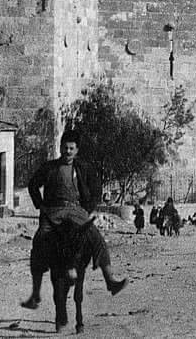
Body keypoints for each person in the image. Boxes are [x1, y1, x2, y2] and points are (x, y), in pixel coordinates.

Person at [21, 129, 127, 310]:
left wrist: (87, 210)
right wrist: (41, 205)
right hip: (52, 212)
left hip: (76, 211)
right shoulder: (49, 167)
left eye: (71, 148)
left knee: (96, 238)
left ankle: (110, 280)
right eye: (65, 148)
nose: (67, 152)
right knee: (39, 241)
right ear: (60, 147)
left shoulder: (84, 168)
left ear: (77, 150)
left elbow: (96, 191)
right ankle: (35, 294)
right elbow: (32, 185)